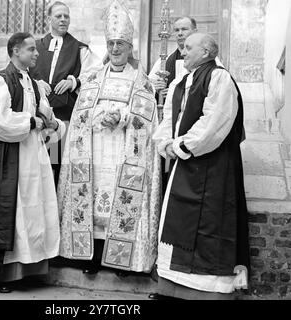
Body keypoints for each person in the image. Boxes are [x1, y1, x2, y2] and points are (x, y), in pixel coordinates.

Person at [56, 0, 161, 276]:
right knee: (90, 203)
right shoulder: (93, 79)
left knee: (121, 202)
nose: (115, 49)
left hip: (125, 155)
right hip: (95, 152)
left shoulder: (141, 81)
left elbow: (148, 117)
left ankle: (122, 261)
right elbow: (80, 116)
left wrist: (124, 117)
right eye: (112, 43)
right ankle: (91, 257)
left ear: (130, 48)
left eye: (121, 45)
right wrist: (100, 116)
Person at [0, 32, 66, 293]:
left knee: (32, 211)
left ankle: (29, 269)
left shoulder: (34, 83)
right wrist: (31, 122)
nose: (36, 53)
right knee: (12, 212)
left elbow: (46, 117)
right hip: (9, 159)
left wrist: (51, 124)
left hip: (34, 155)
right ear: (16, 51)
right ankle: (3, 273)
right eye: (31, 49)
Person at [149, 33, 250, 300]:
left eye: (189, 47)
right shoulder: (181, 82)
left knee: (209, 227)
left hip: (213, 166)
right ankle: (170, 288)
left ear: (206, 51)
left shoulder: (219, 78)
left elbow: (215, 122)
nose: (183, 51)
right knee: (177, 224)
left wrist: (181, 146)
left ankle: (208, 293)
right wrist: (165, 144)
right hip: (184, 166)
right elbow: (170, 119)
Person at [29, 1, 102, 186]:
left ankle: (56, 208)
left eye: (66, 16)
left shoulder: (79, 48)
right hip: (36, 118)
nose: (63, 20)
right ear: (48, 19)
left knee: (57, 165)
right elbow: (22, 74)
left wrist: (74, 81)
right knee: (34, 168)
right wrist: (36, 83)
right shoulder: (35, 47)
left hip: (64, 118)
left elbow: (95, 75)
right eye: (58, 16)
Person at [149, 16, 198, 94]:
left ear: (195, 32)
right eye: (176, 30)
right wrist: (155, 88)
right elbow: (147, 88)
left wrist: (176, 93)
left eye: (184, 29)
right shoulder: (164, 61)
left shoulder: (206, 58)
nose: (180, 33)